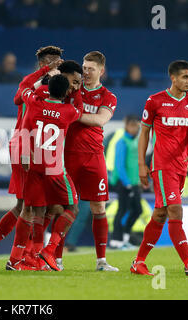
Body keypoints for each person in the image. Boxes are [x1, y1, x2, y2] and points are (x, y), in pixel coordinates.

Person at [0, 46, 64, 270]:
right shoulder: (39, 88)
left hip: (30, 147)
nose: (56, 66)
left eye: (58, 62)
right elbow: (17, 98)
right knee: (32, 207)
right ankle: (20, 258)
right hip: (27, 148)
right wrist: (43, 75)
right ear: (43, 65)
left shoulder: (46, 88)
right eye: (51, 62)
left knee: (25, 205)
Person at [132, 60, 188, 276]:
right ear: (173, 78)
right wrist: (141, 164)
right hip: (162, 165)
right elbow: (145, 133)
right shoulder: (155, 101)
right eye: (185, 77)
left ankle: (138, 262)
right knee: (175, 209)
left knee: (160, 214)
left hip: (180, 167)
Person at [7, 74, 81, 271]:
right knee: (72, 209)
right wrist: (78, 90)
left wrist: (44, 75)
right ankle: (49, 250)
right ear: (66, 92)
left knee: (38, 212)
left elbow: (24, 88)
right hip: (55, 168)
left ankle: (34, 259)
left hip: (34, 164)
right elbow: (79, 110)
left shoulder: (34, 103)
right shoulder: (68, 111)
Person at [64, 51, 119, 272]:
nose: (86, 72)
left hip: (94, 157)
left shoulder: (108, 96)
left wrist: (72, 113)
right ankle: (55, 258)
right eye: (84, 68)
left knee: (98, 207)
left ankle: (101, 261)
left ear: (101, 71)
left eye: (91, 69)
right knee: (64, 205)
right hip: (69, 154)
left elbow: (99, 120)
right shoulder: (72, 90)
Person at [109, 115, 142, 249]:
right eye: (132, 125)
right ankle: (116, 241)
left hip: (135, 183)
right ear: (126, 126)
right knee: (122, 210)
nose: (135, 128)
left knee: (137, 210)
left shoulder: (136, 141)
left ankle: (125, 238)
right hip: (124, 183)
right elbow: (119, 165)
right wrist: (127, 183)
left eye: (136, 125)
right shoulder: (122, 142)